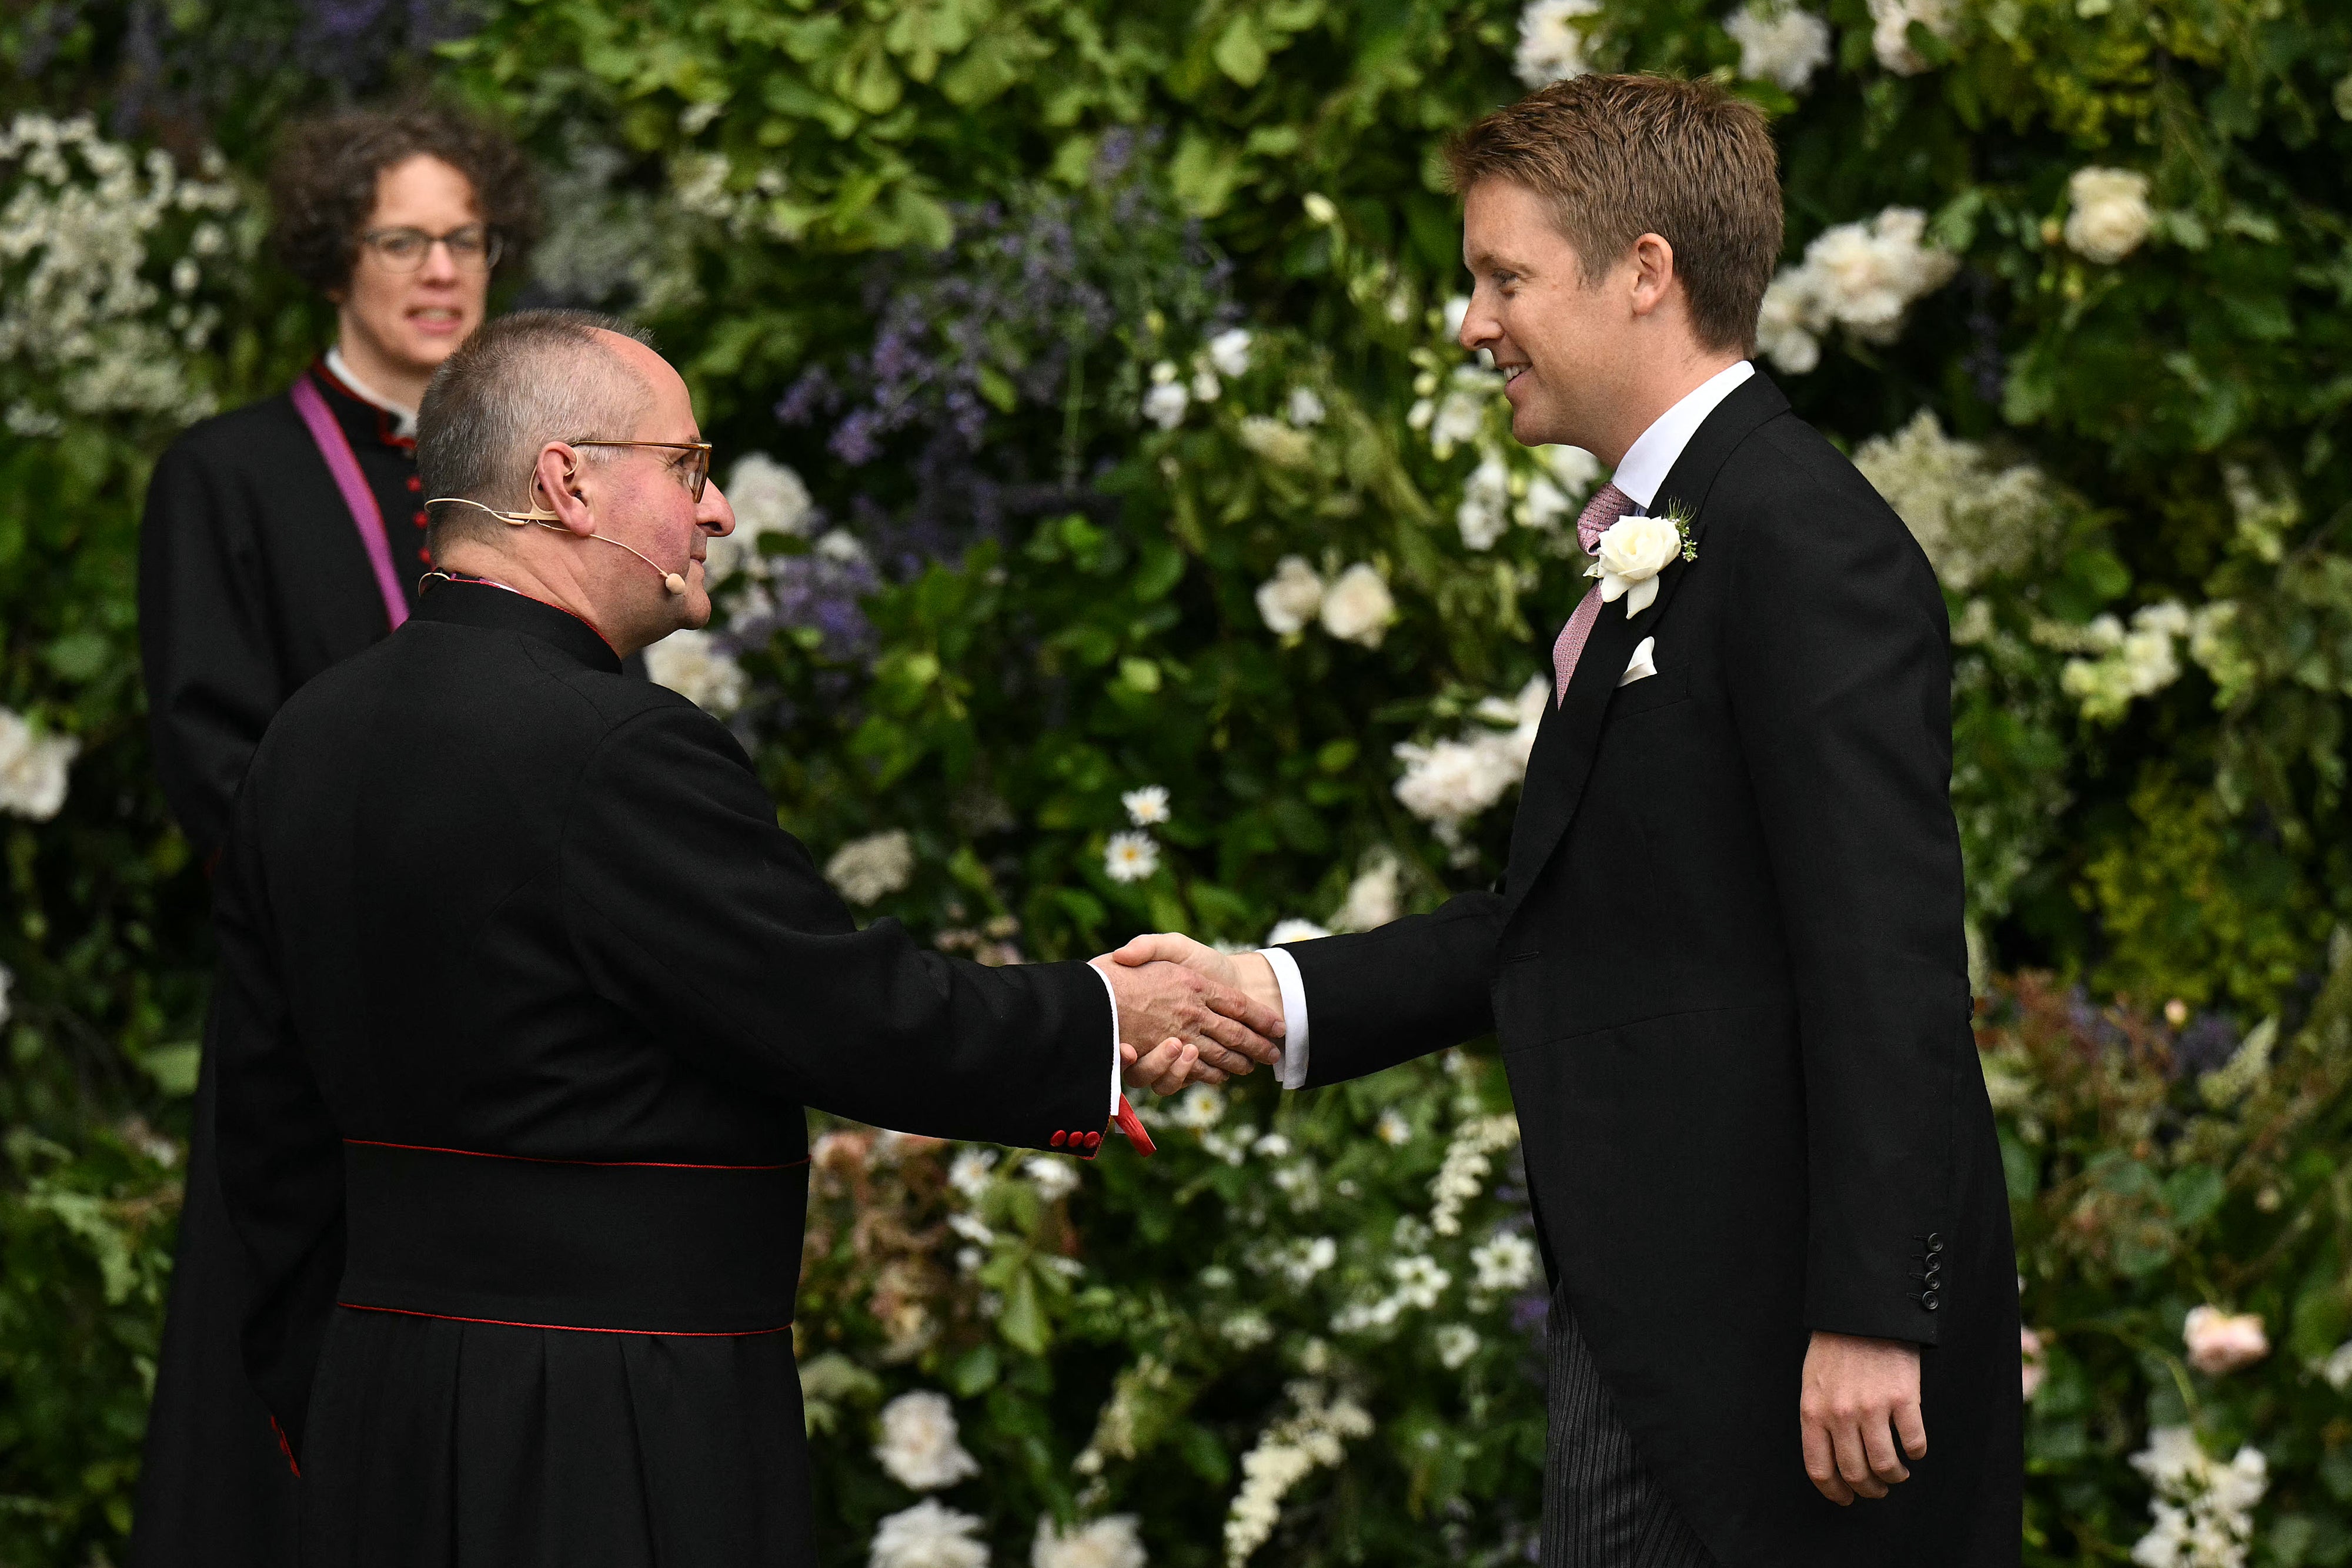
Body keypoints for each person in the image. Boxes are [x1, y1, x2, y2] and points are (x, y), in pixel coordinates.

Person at [1118, 75, 2021, 1566]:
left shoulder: (1802, 538)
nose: (1471, 322)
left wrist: (1870, 1313)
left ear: (1645, 272)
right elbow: (1572, 915)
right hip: (1659, 1314)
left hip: (1794, 1353)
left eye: (1502, 276)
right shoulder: (1674, 540)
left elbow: (1888, 952)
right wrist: (1265, 989)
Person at [208, 309, 1276, 1566]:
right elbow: (841, 1009)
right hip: (613, 1418)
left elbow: (262, 1123)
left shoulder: (306, 738)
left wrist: (327, 1398)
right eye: (687, 468)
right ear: (568, 480)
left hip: (377, 1405)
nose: (714, 512)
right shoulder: (614, 746)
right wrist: (1108, 1016)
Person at [129, 102, 540, 1568]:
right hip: (316, 1018)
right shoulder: (225, 475)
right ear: (332, 256)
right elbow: (211, 763)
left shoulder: (536, 482)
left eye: (466, 239)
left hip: (511, 1031)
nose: (442, 271)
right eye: (402, 240)